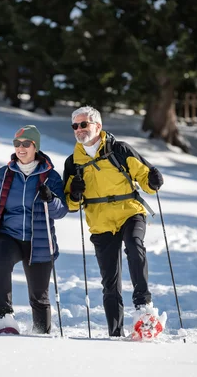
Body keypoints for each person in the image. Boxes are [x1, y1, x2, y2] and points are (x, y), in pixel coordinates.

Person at [63, 106, 166, 338]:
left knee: (134, 244)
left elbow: (146, 179)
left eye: (84, 124)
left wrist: (153, 180)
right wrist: (76, 195)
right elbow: (69, 204)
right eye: (75, 126)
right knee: (110, 280)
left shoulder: (119, 149)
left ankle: (143, 306)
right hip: (100, 221)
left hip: (129, 211)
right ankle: (115, 333)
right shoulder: (73, 163)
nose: (79, 129)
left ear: (97, 126)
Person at [0, 125, 68, 334]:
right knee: (1, 263)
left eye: (26, 144)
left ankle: (41, 331)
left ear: (35, 146)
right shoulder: (5, 173)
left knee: (39, 295)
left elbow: (61, 211)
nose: (21, 148)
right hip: (9, 236)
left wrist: (51, 199)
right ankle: (4, 318)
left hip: (40, 241)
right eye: (17, 144)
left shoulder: (50, 176)